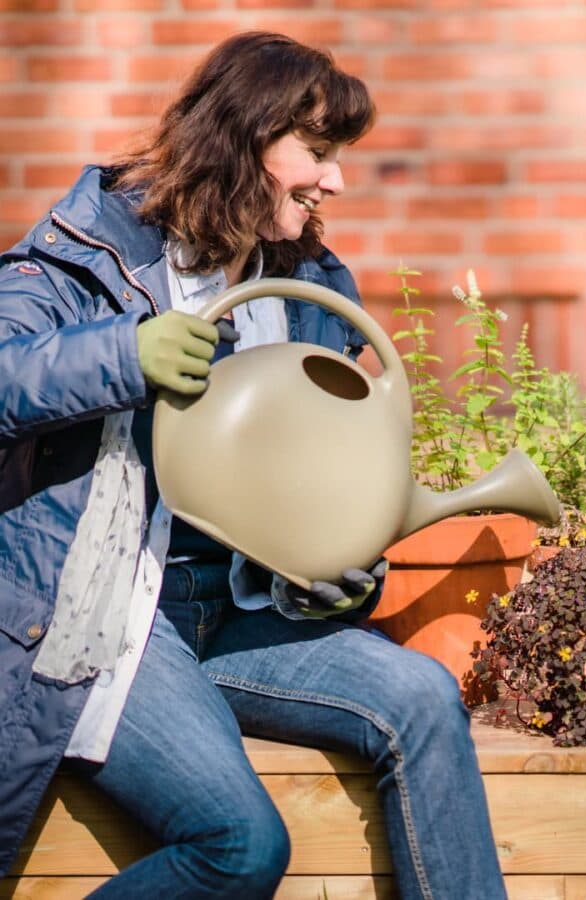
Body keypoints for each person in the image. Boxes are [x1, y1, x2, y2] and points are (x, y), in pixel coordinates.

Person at [0, 31, 507, 899]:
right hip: (114, 613)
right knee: (238, 845)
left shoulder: (306, 283)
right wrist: (126, 351)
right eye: (316, 152)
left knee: (422, 697)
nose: (336, 181)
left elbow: (322, 471)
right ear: (244, 138)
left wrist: (345, 568)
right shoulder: (88, 250)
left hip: (242, 613)